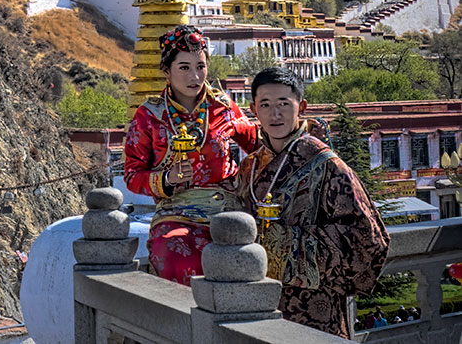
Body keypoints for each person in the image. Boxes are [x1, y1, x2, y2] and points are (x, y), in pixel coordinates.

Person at [238, 67, 389, 338]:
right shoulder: (249, 167)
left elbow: (369, 238)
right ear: (253, 110)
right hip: (258, 305)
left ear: (302, 106)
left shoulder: (326, 164)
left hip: (316, 311)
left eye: (284, 104)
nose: (275, 114)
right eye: (266, 105)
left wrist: (287, 245)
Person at [124, 25, 259, 285]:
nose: (195, 76)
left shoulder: (223, 107)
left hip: (228, 213)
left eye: (201, 66)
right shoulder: (149, 116)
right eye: (184, 67)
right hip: (177, 213)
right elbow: (132, 175)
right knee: (178, 258)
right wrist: (166, 179)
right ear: (166, 70)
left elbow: (258, 143)